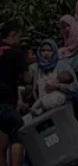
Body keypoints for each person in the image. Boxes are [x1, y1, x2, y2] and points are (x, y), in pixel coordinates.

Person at [0, 21, 30, 166]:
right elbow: (27, 78)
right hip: (6, 101)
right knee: (18, 135)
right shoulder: (16, 53)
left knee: (1, 141)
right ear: (13, 35)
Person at [29, 39, 78, 116]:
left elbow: (75, 87)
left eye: (49, 50)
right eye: (43, 50)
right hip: (43, 109)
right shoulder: (37, 69)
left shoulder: (62, 65)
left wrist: (58, 86)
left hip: (62, 106)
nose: (46, 53)